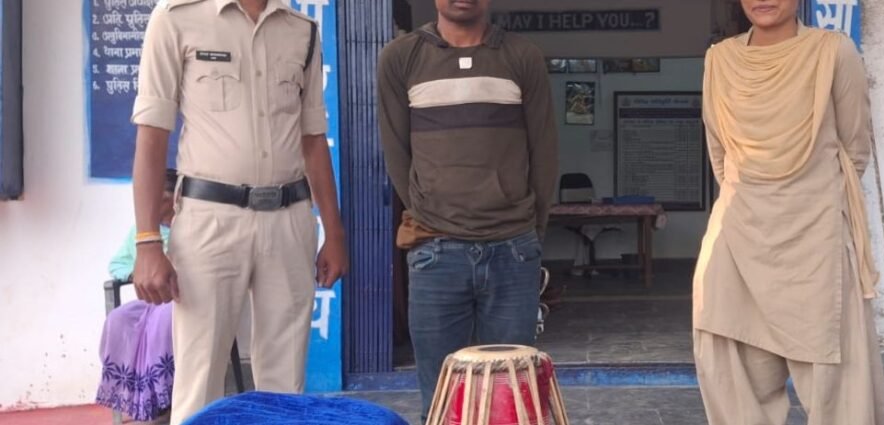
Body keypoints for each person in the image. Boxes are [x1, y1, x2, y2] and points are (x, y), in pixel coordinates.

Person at [129, 1, 348, 423]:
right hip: (209, 220)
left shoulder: (301, 30)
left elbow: (313, 139)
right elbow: (152, 136)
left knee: (285, 382)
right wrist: (147, 240)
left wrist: (334, 234)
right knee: (200, 374)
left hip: (289, 219)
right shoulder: (176, 18)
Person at [693, 0, 884, 423]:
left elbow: (854, 150)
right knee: (729, 356)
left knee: (834, 373)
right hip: (738, 231)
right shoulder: (720, 60)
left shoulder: (833, 51)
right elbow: (720, 154)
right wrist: (756, 198)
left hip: (815, 236)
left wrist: (803, 197)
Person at [376, 0, 558, 417]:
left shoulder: (522, 56)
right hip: (436, 252)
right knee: (442, 400)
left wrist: (531, 231)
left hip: (512, 249)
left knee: (510, 401)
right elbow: (396, 153)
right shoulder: (400, 57)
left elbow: (544, 151)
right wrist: (428, 212)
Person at [96, 169, 178, 425]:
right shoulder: (140, 232)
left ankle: (164, 398)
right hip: (149, 301)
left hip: (180, 300)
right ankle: (136, 398)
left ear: (176, 199)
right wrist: (136, 273)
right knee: (119, 319)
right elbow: (117, 264)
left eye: (163, 200)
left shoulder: (190, 227)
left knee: (163, 320)